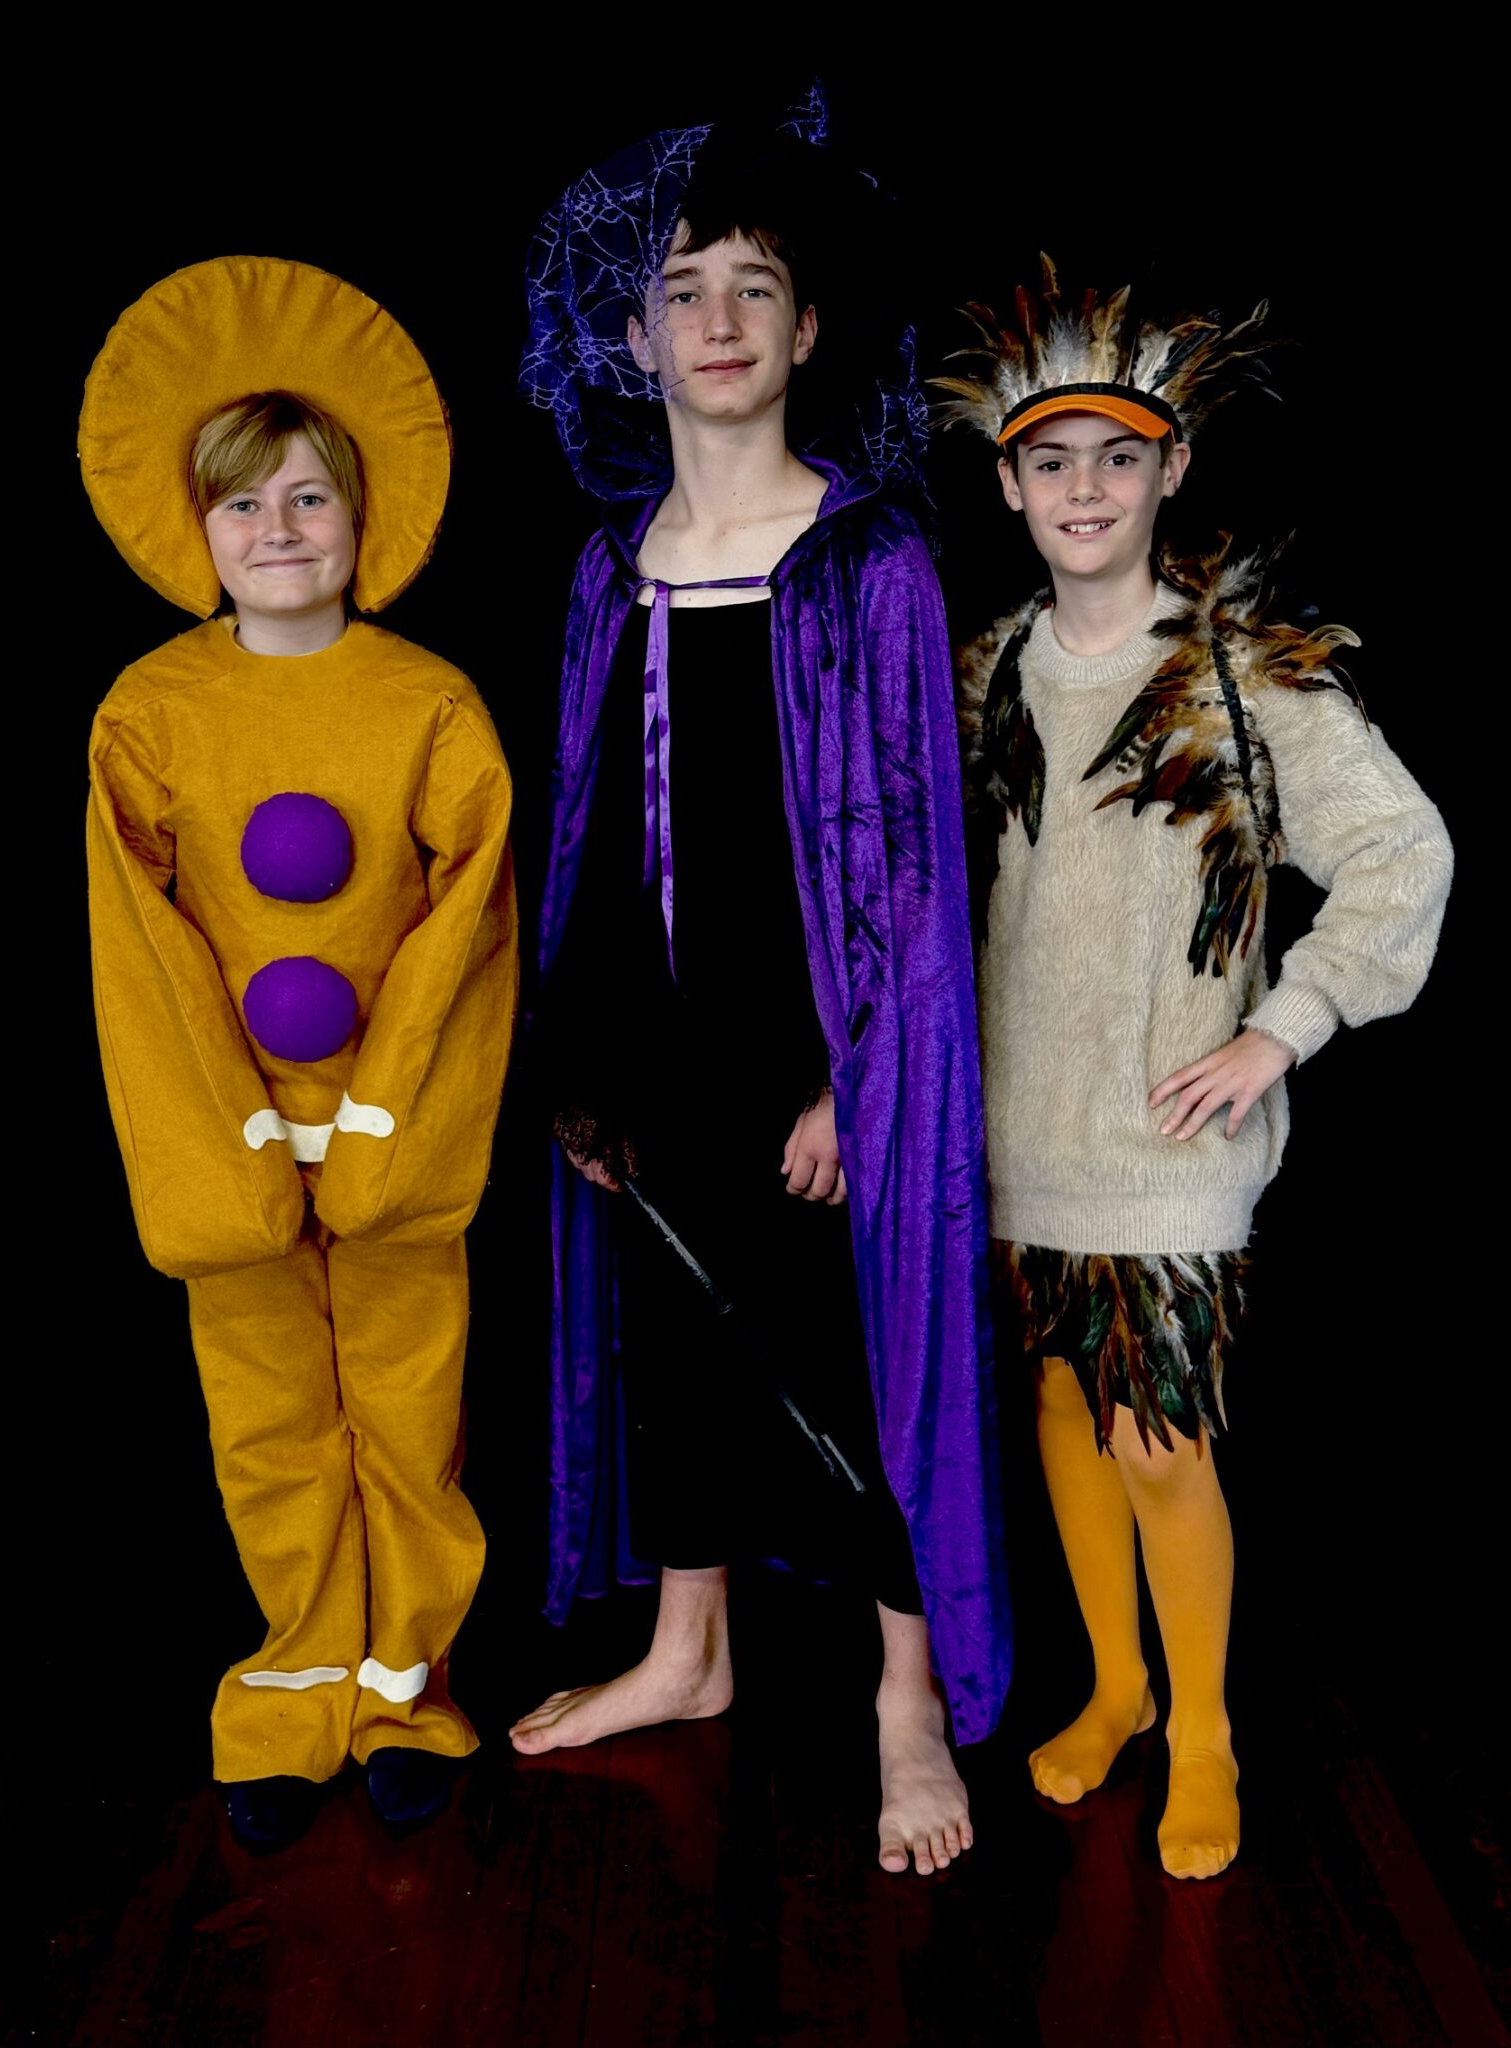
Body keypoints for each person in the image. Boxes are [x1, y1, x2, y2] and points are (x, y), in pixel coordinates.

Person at [511, 103, 1010, 1878]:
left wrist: (853, 1085)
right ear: (633, 338)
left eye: (754, 288)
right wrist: (583, 1060)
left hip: (825, 1058)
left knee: (860, 1357)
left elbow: (914, 863)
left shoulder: (867, 557)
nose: (716, 320)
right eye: (681, 291)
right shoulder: (610, 566)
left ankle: (905, 1694)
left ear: (806, 333)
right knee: (676, 1342)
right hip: (659, 1043)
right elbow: (588, 829)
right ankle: (689, 1648)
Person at [940, 265, 1452, 1878]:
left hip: (1167, 1134)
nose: (1082, 489)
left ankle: (1205, 1731)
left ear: (1172, 468)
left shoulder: (1240, 674)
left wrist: (1280, 1027)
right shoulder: (986, 670)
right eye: (1050, 461)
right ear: (1008, 484)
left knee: (1156, 1430)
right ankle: (1117, 1688)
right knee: (1060, 1404)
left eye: (1116, 457)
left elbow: (1399, 850)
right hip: (1021, 1123)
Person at [82, 257, 518, 1847]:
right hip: (234, 1146)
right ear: (196, 530)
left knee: (408, 1415)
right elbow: (146, 955)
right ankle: (292, 1686)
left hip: (393, 1140)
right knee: (268, 1426)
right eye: (244, 503)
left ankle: (407, 1688)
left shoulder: (428, 703)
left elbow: (465, 928)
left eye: (311, 497)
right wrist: (238, 1147)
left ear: (362, 516)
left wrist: (385, 1124)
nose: (279, 529)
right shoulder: (150, 711)